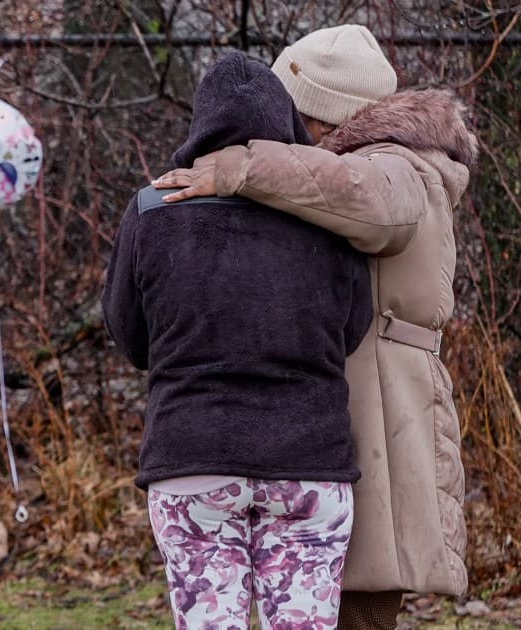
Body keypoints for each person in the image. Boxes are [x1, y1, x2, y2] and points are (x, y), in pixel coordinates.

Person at [151, 25, 478, 630]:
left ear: (323, 115)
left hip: (382, 404)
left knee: (364, 600)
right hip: (344, 403)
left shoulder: (398, 165)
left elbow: (372, 201)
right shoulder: (356, 170)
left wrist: (242, 166)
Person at [102, 52, 372, 629]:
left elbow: (128, 331)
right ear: (287, 125)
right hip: (308, 462)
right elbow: (352, 328)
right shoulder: (325, 214)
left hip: (191, 456)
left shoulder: (151, 209)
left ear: (200, 125)